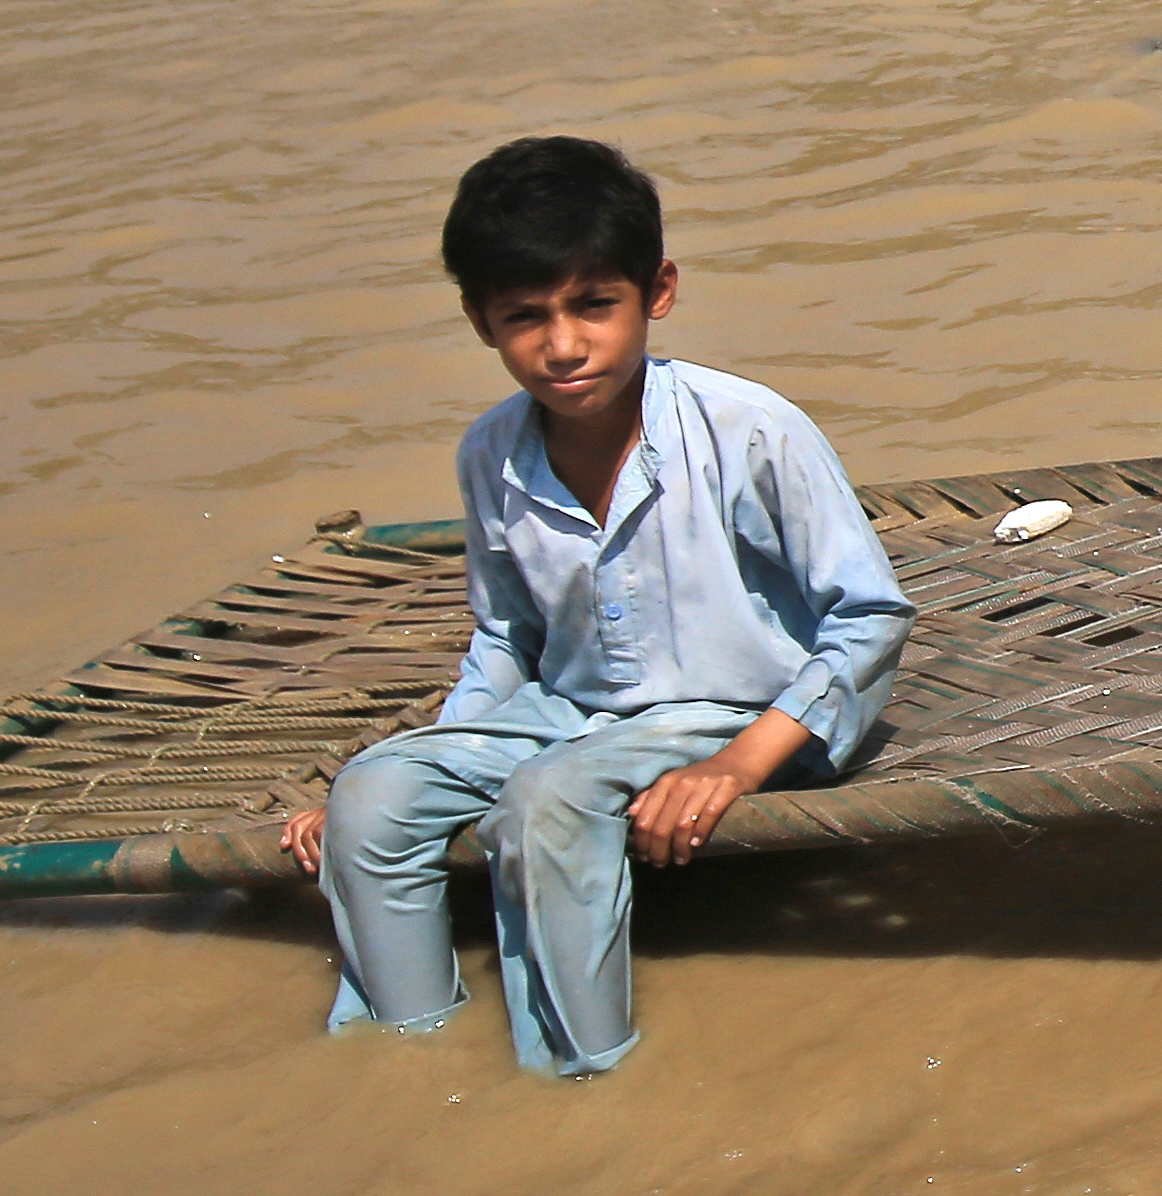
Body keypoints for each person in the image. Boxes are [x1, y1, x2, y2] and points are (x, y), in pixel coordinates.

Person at [281, 136, 909, 1074]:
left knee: (549, 802)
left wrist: (738, 766)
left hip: (739, 710)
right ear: (479, 322)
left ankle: (579, 1075)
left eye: (594, 305)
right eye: (524, 316)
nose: (563, 344)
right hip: (573, 714)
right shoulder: (490, 454)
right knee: (369, 799)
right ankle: (403, 1065)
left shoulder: (751, 429)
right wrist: (429, 762)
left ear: (656, 293)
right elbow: (506, 637)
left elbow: (868, 619)